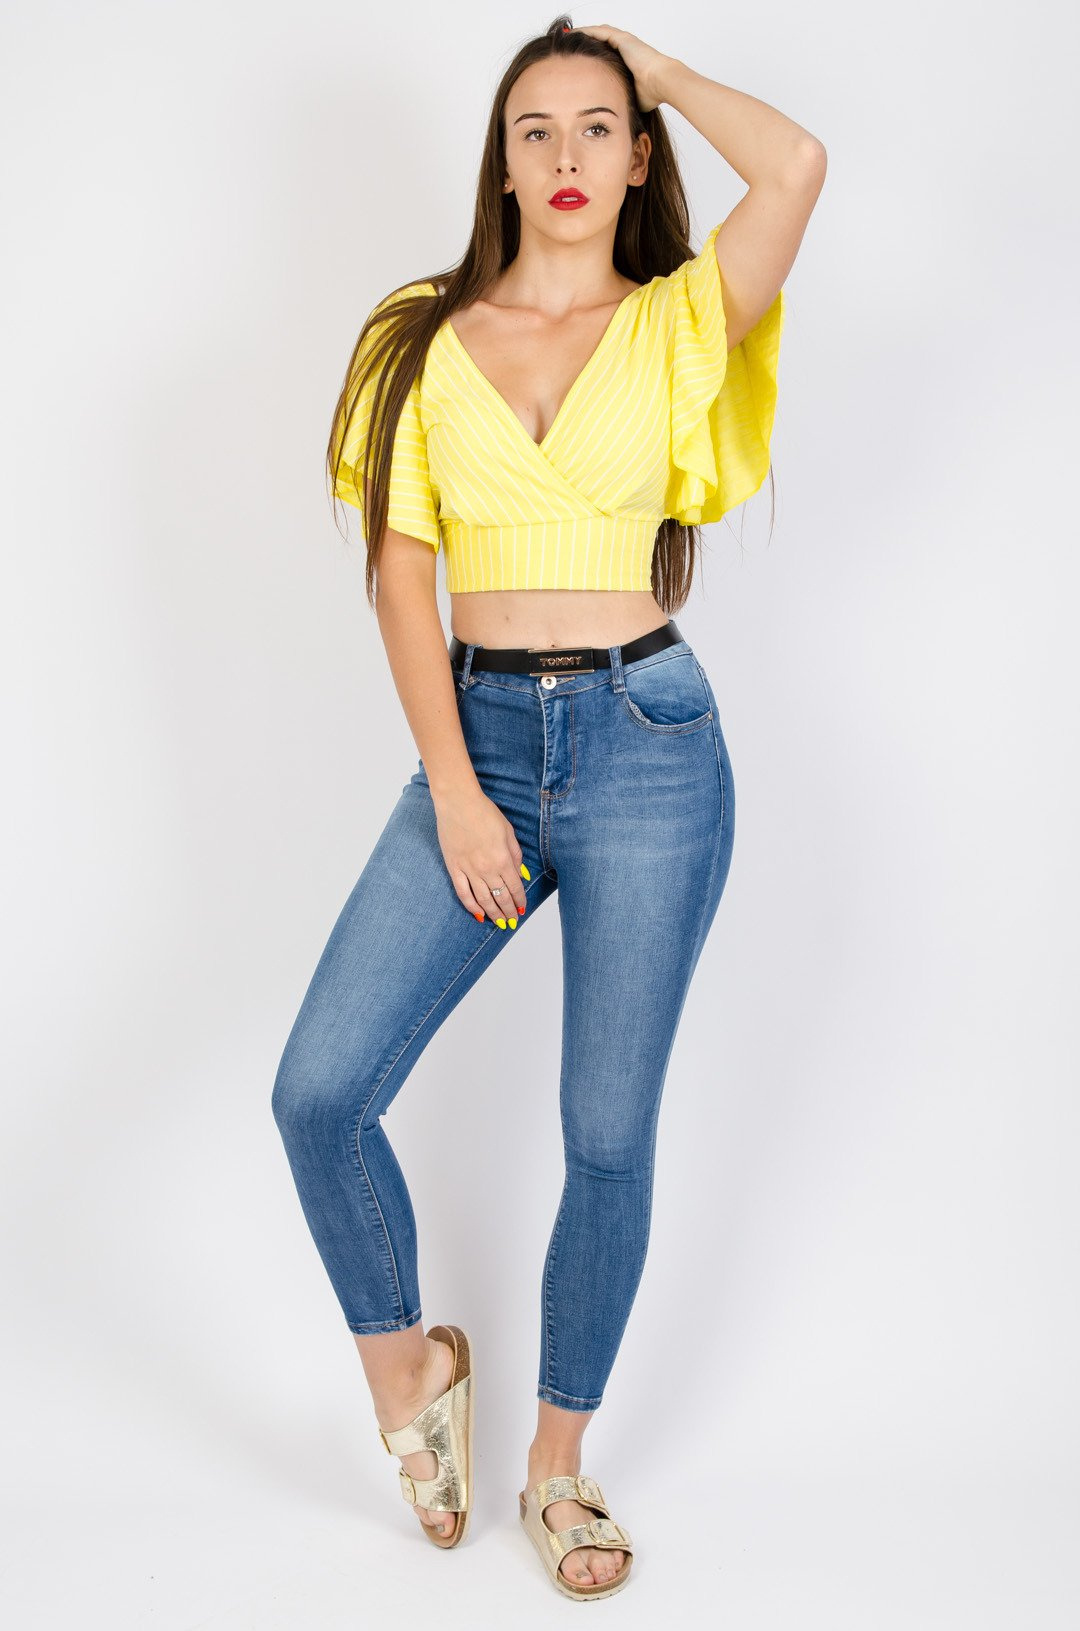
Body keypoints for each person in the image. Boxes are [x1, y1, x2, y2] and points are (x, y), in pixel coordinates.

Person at [272, 15, 825, 1602]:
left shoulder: (679, 321)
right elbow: (402, 575)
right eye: (537, 130)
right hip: (486, 745)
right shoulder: (416, 337)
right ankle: (410, 1367)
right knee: (319, 1092)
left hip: (652, 742)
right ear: (500, 163)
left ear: (638, 157)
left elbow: (796, 164)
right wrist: (457, 789)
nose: (567, 157)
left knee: (605, 1134)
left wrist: (662, 70)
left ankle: (557, 1471)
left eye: (598, 128)